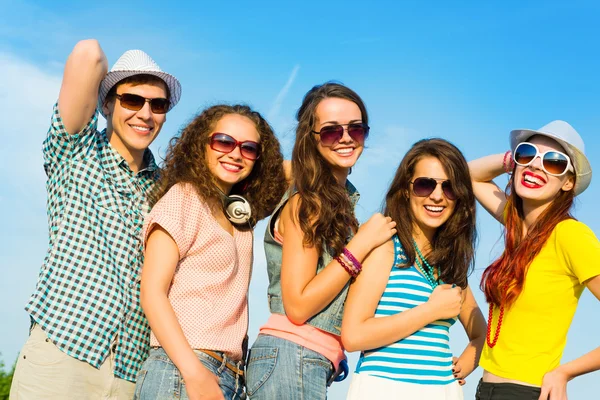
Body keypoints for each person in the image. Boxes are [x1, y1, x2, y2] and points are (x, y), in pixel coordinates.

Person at [10, 40, 181, 399]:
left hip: (132, 370)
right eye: (131, 100)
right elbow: (88, 54)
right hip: (63, 351)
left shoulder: (168, 189)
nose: (145, 114)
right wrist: (108, 84)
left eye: (158, 104)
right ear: (106, 103)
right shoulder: (76, 151)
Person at [245, 82, 397, 399]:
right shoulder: (308, 204)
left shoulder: (338, 203)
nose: (345, 138)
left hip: (306, 361)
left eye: (356, 129)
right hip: (292, 356)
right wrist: (362, 244)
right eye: (330, 131)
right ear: (310, 139)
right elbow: (298, 306)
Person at [133, 105, 286, 400]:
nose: (235, 153)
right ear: (201, 144)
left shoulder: (239, 215)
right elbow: (152, 292)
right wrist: (194, 373)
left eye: (249, 148)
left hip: (232, 375)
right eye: (224, 142)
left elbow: (293, 172)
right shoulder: (183, 198)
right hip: (181, 370)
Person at [342, 138, 486, 400]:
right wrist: (431, 311)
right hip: (384, 388)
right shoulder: (386, 246)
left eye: (450, 187)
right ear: (406, 190)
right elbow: (353, 336)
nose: (437, 195)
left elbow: (481, 334)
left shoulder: (451, 264)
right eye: (425, 184)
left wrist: (465, 363)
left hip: (443, 392)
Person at [470, 120, 600, 400]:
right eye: (528, 153)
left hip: (527, 392)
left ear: (568, 183)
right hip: (486, 390)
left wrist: (566, 372)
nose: (537, 166)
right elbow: (466, 175)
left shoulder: (570, 235)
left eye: (554, 163)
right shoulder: (517, 227)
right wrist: (515, 160)